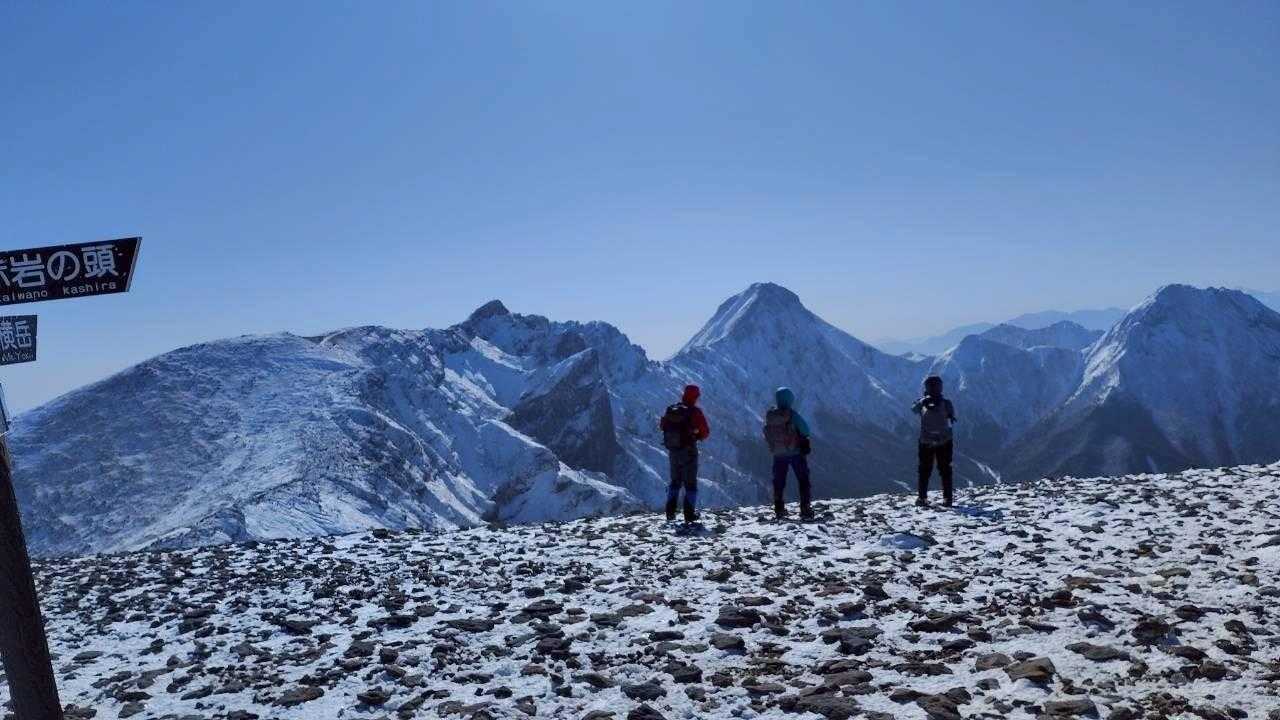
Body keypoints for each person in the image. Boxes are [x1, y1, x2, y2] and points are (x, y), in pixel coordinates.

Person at [659, 384, 710, 522]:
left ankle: (670, 513)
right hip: (688, 451)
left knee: (675, 482)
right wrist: (696, 435)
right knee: (690, 483)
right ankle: (689, 515)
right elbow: (705, 432)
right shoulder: (695, 412)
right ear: (695, 396)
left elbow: (662, 426)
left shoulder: (672, 409)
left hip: (673, 451)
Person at [763, 387, 813, 520]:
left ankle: (779, 509)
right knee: (803, 479)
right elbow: (806, 430)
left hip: (778, 454)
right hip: (795, 453)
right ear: (790, 400)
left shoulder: (770, 416)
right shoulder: (791, 415)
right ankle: (805, 508)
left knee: (779, 481)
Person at [912, 375, 956, 507]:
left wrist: (922, 401)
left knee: (924, 470)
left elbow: (913, 409)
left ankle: (922, 498)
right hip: (944, 441)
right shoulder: (946, 403)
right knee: (945, 470)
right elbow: (951, 418)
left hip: (926, 441)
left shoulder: (921, 403)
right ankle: (947, 499)